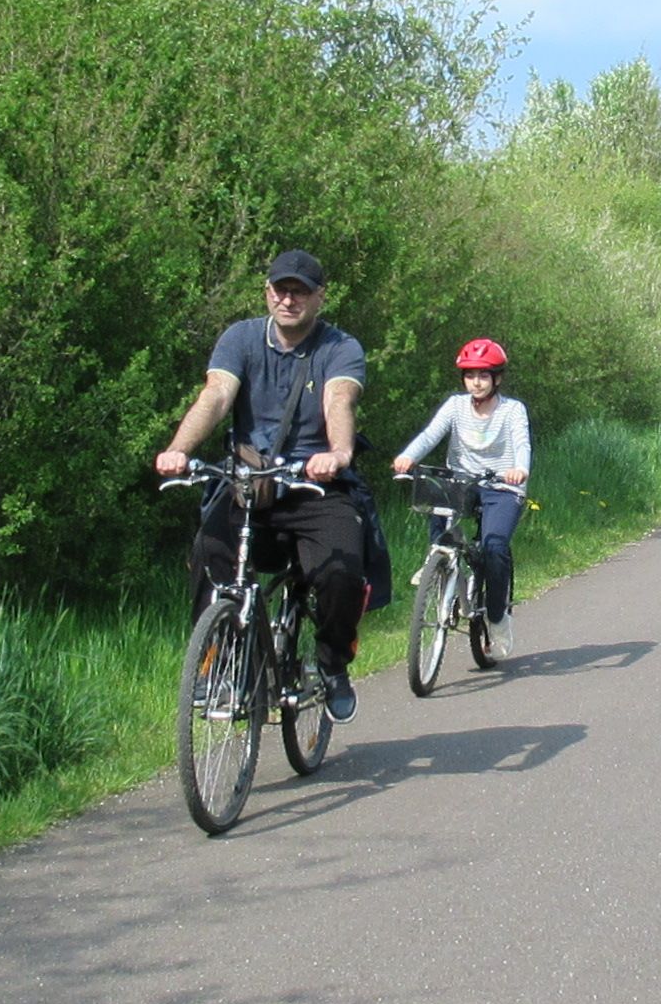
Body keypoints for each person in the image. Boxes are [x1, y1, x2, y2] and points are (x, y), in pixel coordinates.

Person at [155, 249, 367, 722]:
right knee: (210, 551)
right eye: (280, 289)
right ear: (268, 291)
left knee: (342, 572)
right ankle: (217, 666)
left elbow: (340, 398)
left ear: (319, 297)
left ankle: (332, 663)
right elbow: (216, 395)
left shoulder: (339, 348)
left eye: (299, 291)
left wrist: (337, 453)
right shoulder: (241, 338)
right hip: (251, 484)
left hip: (315, 485)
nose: (288, 299)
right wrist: (179, 450)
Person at [390, 338, 530, 654]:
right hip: (463, 482)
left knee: (494, 548)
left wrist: (519, 469)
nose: (476, 382)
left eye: (483, 375)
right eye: (469, 375)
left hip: (502, 487)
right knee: (435, 491)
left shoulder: (512, 411)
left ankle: (497, 619)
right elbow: (430, 435)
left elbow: (522, 445)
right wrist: (407, 456)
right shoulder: (455, 406)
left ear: (497, 378)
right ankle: (438, 558)